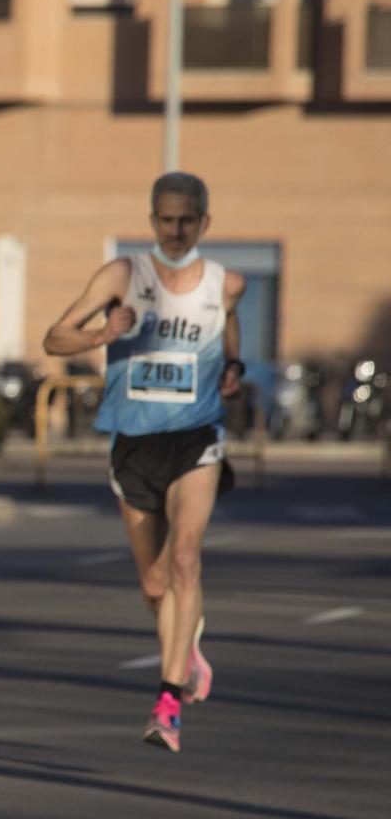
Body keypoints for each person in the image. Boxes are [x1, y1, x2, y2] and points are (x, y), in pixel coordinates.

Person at [41, 172, 245, 752]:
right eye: (165, 219)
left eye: (186, 220)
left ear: (204, 223)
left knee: (185, 561)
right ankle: (188, 644)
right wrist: (102, 333)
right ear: (151, 219)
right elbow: (54, 339)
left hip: (195, 439)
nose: (175, 229)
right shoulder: (123, 276)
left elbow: (230, 338)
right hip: (133, 444)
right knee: (156, 584)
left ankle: (167, 700)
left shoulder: (227, 285)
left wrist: (234, 370)